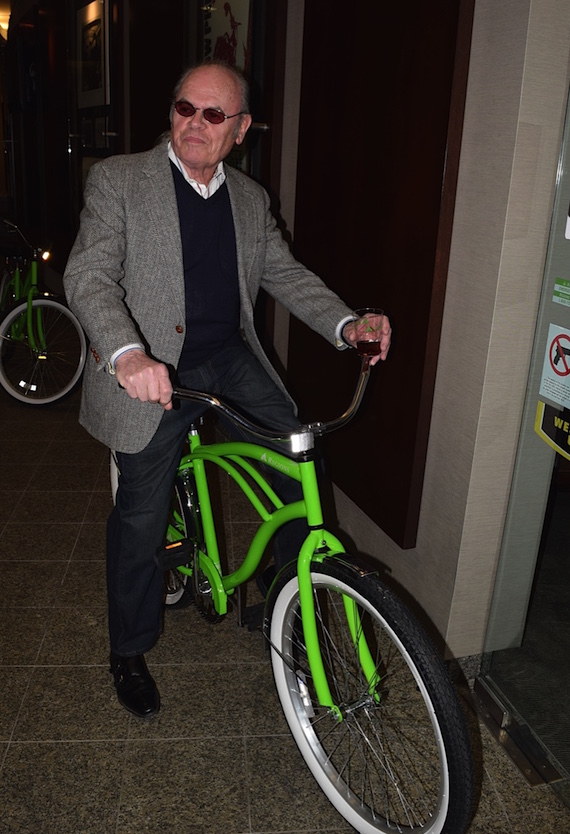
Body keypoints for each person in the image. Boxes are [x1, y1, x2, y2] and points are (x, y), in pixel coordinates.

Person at [63, 60, 391, 719]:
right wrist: (127, 353)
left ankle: (285, 586)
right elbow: (89, 276)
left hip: (226, 358)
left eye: (214, 115)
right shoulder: (119, 181)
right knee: (141, 517)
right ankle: (128, 649)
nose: (194, 124)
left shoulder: (249, 198)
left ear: (240, 129)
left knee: (297, 459)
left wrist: (348, 322)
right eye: (185, 108)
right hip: (152, 367)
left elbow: (284, 272)